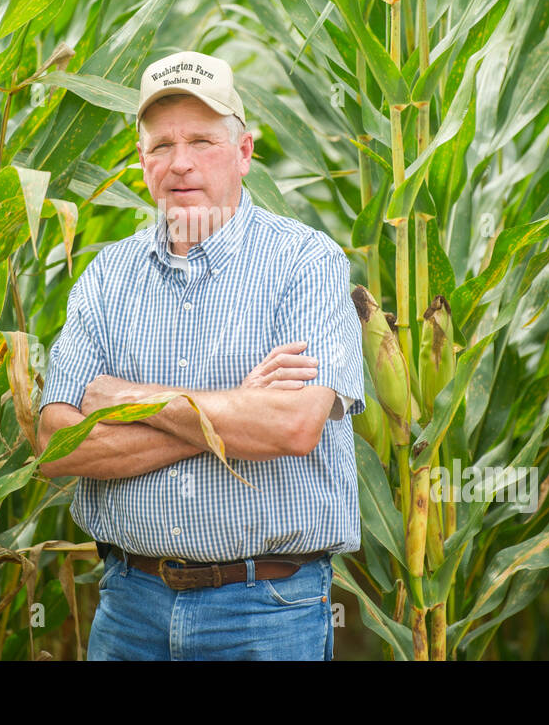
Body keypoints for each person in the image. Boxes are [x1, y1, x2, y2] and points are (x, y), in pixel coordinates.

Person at [34, 49, 365, 660]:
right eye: (161, 145)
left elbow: (294, 426)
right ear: (141, 161)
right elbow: (57, 445)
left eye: (203, 141)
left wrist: (131, 400)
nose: (179, 163)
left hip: (265, 613)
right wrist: (236, 413)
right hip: (130, 606)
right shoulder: (107, 277)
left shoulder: (305, 264)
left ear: (243, 154)